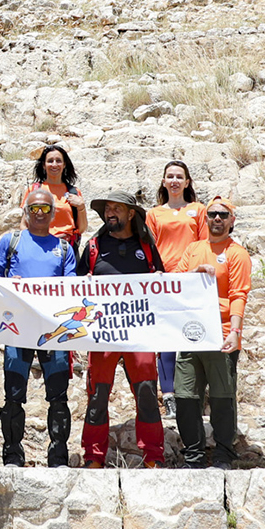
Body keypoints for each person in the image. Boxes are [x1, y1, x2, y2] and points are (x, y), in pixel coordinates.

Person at [76, 188, 167, 469]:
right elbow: (75, 289)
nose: (110, 213)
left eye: (116, 208)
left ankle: (153, 456)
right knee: (98, 396)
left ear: (131, 214)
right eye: (107, 209)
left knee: (147, 394)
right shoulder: (93, 247)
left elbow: (161, 285)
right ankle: (93, 456)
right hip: (103, 335)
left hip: (140, 334)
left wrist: (161, 278)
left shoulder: (146, 247)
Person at [0, 187, 77, 466]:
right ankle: (13, 453)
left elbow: (71, 286)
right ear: (25, 212)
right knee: (14, 393)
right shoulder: (10, 241)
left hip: (53, 331)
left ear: (54, 214)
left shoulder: (64, 247)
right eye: (34, 209)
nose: (39, 214)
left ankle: (58, 455)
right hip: (18, 329)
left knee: (58, 394)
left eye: (45, 209)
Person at [175, 197, 252, 468]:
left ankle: (223, 453)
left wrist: (235, 331)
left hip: (221, 333)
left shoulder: (237, 253)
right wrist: (195, 272)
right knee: (185, 396)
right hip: (190, 332)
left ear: (232, 220)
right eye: (212, 214)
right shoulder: (193, 249)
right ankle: (193, 454)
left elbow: (239, 294)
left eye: (223, 215)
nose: (217, 219)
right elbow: (178, 284)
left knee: (222, 396)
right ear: (205, 218)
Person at [147, 161, 207, 399]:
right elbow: (150, 247)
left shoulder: (198, 210)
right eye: (169, 176)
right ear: (163, 181)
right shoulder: (154, 213)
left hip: (192, 281)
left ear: (187, 182)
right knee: (166, 340)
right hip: (164, 281)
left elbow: (205, 243)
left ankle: (192, 393)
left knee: (192, 336)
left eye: (179, 177)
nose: (174, 181)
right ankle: (169, 393)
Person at [22, 144, 87, 247]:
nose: (54, 164)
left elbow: (82, 228)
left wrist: (81, 207)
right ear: (44, 165)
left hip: (66, 248)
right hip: (39, 245)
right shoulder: (34, 190)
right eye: (50, 161)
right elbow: (24, 224)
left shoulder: (74, 192)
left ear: (64, 164)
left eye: (58, 160)